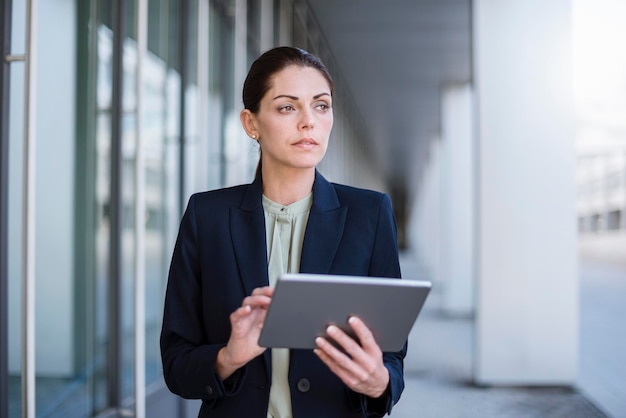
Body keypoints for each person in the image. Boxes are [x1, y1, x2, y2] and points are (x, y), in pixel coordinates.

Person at [160, 46, 405, 418]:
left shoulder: (369, 215)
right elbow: (177, 363)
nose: (308, 121)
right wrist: (228, 357)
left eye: (321, 106)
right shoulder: (206, 216)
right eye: (287, 107)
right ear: (251, 123)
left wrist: (379, 382)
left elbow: (391, 358)